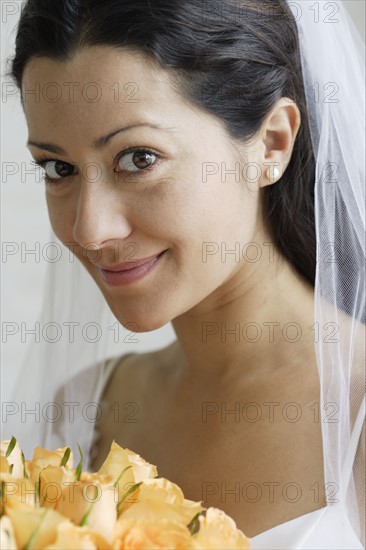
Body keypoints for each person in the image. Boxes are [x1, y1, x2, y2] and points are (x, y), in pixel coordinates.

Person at [5, 0, 365, 546]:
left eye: (139, 159)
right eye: (59, 169)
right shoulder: (84, 412)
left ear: (271, 142)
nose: (90, 230)